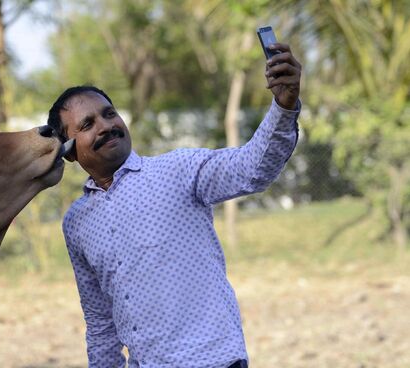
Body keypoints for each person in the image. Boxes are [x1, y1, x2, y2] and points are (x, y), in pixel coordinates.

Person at [47, 42, 302, 368]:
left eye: (109, 114)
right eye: (87, 124)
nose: (105, 125)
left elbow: (252, 168)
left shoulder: (178, 171)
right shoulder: (77, 222)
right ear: (68, 151)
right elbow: (100, 321)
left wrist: (284, 105)